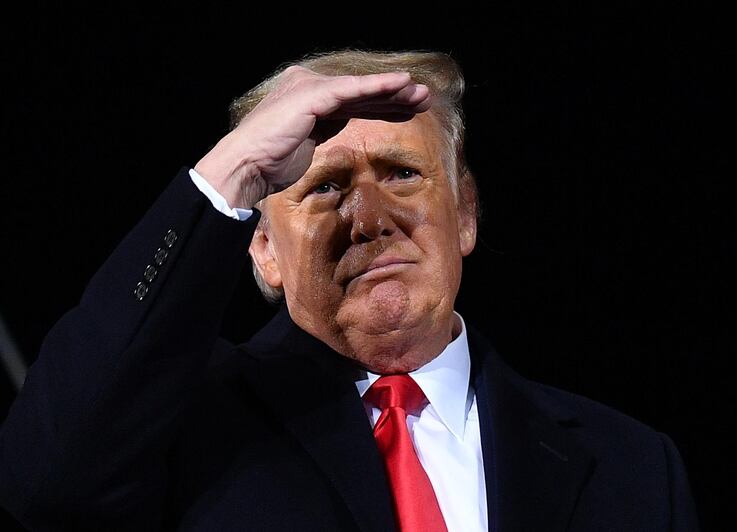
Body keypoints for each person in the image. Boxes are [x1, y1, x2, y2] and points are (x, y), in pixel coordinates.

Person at [0, 49, 699, 531]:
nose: (369, 221)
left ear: (465, 215)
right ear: (265, 250)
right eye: (325, 187)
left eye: (401, 174)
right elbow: (47, 483)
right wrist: (239, 162)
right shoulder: (178, 427)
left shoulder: (632, 466)